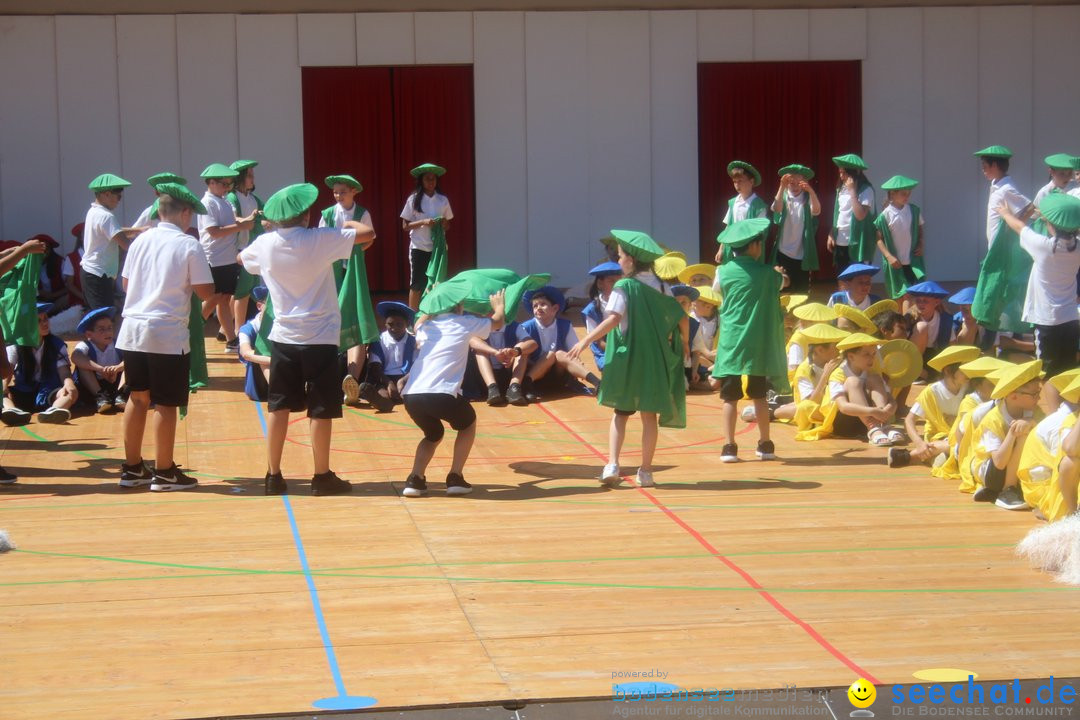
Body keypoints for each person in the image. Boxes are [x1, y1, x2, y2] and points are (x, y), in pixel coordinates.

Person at [239, 183, 375, 496]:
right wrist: (346, 222)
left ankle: (273, 475)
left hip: (284, 337)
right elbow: (367, 234)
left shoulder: (265, 243)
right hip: (321, 336)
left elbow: (241, 258)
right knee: (321, 408)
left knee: (278, 408)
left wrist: (270, 232)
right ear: (307, 214)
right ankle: (321, 475)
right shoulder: (320, 239)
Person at [115, 183, 215, 492]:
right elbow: (205, 291)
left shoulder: (140, 241)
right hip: (167, 332)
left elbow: (126, 284)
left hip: (133, 328)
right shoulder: (188, 244)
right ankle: (164, 472)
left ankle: (132, 468)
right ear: (184, 212)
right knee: (166, 404)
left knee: (137, 396)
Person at [568, 229, 687, 488]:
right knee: (649, 416)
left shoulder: (624, 286)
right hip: (654, 358)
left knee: (620, 413)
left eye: (620, 256)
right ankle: (645, 471)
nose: (618, 260)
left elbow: (613, 319)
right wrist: (685, 345)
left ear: (631, 259)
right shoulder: (664, 286)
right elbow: (679, 317)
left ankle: (612, 463)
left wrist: (586, 339)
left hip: (628, 356)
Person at [400, 284, 513, 497]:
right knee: (468, 423)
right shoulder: (464, 322)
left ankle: (415, 479)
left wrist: (431, 300)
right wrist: (499, 306)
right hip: (441, 392)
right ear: (460, 306)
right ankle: (455, 476)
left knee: (433, 434)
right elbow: (497, 323)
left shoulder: (428, 327)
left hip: (411, 395)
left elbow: (417, 324)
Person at [711, 218, 788, 462]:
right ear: (754, 247)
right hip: (758, 342)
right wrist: (778, 274)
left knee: (729, 397)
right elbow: (783, 283)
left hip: (732, 342)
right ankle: (765, 444)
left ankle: (729, 445)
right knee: (759, 395)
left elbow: (716, 290)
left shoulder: (722, 271)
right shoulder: (768, 274)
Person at [995, 193, 1080, 387]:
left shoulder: (1044, 247)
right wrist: (1053, 219)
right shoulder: (1077, 249)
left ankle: (1053, 414)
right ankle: (1067, 415)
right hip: (1070, 318)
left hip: (1047, 319)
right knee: (1067, 371)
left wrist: (1004, 212)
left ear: (1050, 226)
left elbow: (1019, 227)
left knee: (1048, 374)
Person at [965, 359, 1043, 511]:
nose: (1039, 398)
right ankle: (1008, 489)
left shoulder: (1035, 411)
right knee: (1022, 433)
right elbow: (999, 462)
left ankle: (1000, 490)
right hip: (993, 473)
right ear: (1013, 396)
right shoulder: (993, 418)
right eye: (1034, 394)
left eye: (1038, 393)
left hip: (1015, 468)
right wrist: (1013, 433)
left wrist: (1032, 422)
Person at [971, 145, 1033, 335]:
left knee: (996, 286)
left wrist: (1012, 230)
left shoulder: (1006, 188)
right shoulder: (997, 185)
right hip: (995, 248)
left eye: (985, 166)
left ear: (995, 165)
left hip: (1002, 251)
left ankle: (1000, 331)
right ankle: (994, 329)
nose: (983, 169)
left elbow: (1030, 207)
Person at [888, 345, 980, 468]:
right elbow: (909, 420)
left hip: (963, 434)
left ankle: (919, 457)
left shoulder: (970, 389)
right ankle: (918, 455)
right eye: (964, 368)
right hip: (939, 435)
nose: (970, 372)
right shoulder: (932, 392)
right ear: (948, 370)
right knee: (957, 444)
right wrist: (919, 443)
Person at [198, 163, 257, 350]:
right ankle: (193, 327)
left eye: (229, 184)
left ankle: (231, 338)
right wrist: (241, 226)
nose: (227, 188)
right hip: (214, 258)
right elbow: (213, 231)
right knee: (213, 297)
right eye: (224, 184)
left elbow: (234, 220)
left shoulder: (224, 200)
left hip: (228, 258)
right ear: (212, 183)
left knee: (223, 298)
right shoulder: (207, 202)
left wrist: (246, 220)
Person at [1, 303, 78, 426]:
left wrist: (69, 384)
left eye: (46, 319)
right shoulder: (16, 346)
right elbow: (7, 372)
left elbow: (64, 371)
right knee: (2, 392)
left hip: (49, 390)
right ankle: (10, 411)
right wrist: (3, 385)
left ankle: (55, 410)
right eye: (38, 321)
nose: (45, 323)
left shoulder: (56, 344)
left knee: (69, 392)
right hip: (24, 390)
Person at [81, 173, 147, 311]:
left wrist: (137, 230)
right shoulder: (106, 216)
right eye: (118, 196)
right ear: (106, 194)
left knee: (101, 315)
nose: (119, 200)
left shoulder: (94, 212)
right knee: (103, 316)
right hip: (98, 274)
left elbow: (114, 231)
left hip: (94, 273)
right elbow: (126, 245)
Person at [400, 163, 453, 309]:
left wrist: (442, 223)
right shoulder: (413, 199)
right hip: (419, 247)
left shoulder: (443, 200)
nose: (431, 182)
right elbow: (405, 226)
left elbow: (448, 225)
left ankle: (433, 314)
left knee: (437, 282)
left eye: (433, 179)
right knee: (417, 283)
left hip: (437, 249)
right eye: (427, 179)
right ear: (421, 181)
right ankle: (412, 317)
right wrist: (423, 222)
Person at [227, 160, 265, 339]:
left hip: (253, 250)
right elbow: (234, 220)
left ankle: (224, 329)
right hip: (241, 249)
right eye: (249, 175)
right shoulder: (232, 198)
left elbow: (266, 215)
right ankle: (237, 331)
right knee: (242, 293)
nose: (253, 179)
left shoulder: (253, 199)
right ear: (240, 177)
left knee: (249, 290)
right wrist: (250, 219)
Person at [769, 163, 821, 293]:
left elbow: (816, 211)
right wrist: (781, 187)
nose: (795, 186)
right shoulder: (783, 197)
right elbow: (777, 208)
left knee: (801, 292)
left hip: (801, 254)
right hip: (783, 252)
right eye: (791, 183)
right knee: (783, 290)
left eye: (799, 182)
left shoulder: (807, 198)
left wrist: (811, 191)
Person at [875, 175, 926, 304]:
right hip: (896, 264)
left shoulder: (914, 210)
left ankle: (909, 322)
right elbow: (878, 239)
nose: (907, 197)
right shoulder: (885, 215)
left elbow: (920, 230)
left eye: (908, 194)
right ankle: (901, 322)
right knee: (899, 296)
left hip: (912, 261)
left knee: (910, 295)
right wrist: (888, 256)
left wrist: (920, 244)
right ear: (892, 193)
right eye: (903, 194)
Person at [363, 301, 417, 411]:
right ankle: (383, 401)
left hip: (407, 377)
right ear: (385, 323)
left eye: (399, 324)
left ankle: (403, 398)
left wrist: (403, 381)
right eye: (390, 324)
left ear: (407, 324)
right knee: (381, 391)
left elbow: (417, 366)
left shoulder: (413, 342)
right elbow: (375, 367)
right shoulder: (379, 340)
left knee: (414, 392)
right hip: (384, 378)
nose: (394, 328)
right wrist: (389, 383)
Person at [71, 306, 126, 414]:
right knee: (83, 367)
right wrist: (101, 369)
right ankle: (100, 398)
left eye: (110, 328)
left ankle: (121, 394)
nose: (108, 332)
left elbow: (131, 359)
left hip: (115, 383)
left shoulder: (118, 344)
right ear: (89, 335)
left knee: (131, 363)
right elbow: (75, 356)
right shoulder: (85, 345)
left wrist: (117, 368)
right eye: (101, 329)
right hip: (93, 388)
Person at [827, 154, 876, 268]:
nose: (841, 176)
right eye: (840, 172)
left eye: (844, 173)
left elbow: (860, 215)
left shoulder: (867, 190)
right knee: (843, 280)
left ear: (856, 172)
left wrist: (852, 191)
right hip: (841, 240)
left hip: (859, 243)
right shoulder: (841, 190)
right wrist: (831, 233)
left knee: (859, 280)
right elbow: (840, 214)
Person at [717, 161, 769, 265]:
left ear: (751, 181)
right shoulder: (733, 203)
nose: (737, 184)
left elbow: (759, 233)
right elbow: (728, 226)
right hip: (732, 250)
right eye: (734, 181)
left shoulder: (759, 206)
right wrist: (721, 249)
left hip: (749, 252)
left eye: (740, 180)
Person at [581, 261, 623, 372]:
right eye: (611, 281)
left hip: (627, 346)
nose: (618, 285)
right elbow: (598, 342)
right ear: (600, 283)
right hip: (605, 350)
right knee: (613, 368)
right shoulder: (592, 310)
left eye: (620, 281)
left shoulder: (629, 304)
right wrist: (619, 352)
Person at [237, 286, 272, 402]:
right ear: (259, 306)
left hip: (282, 367)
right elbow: (246, 353)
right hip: (258, 385)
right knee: (260, 352)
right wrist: (275, 359)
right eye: (270, 306)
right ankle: (278, 390)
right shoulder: (248, 329)